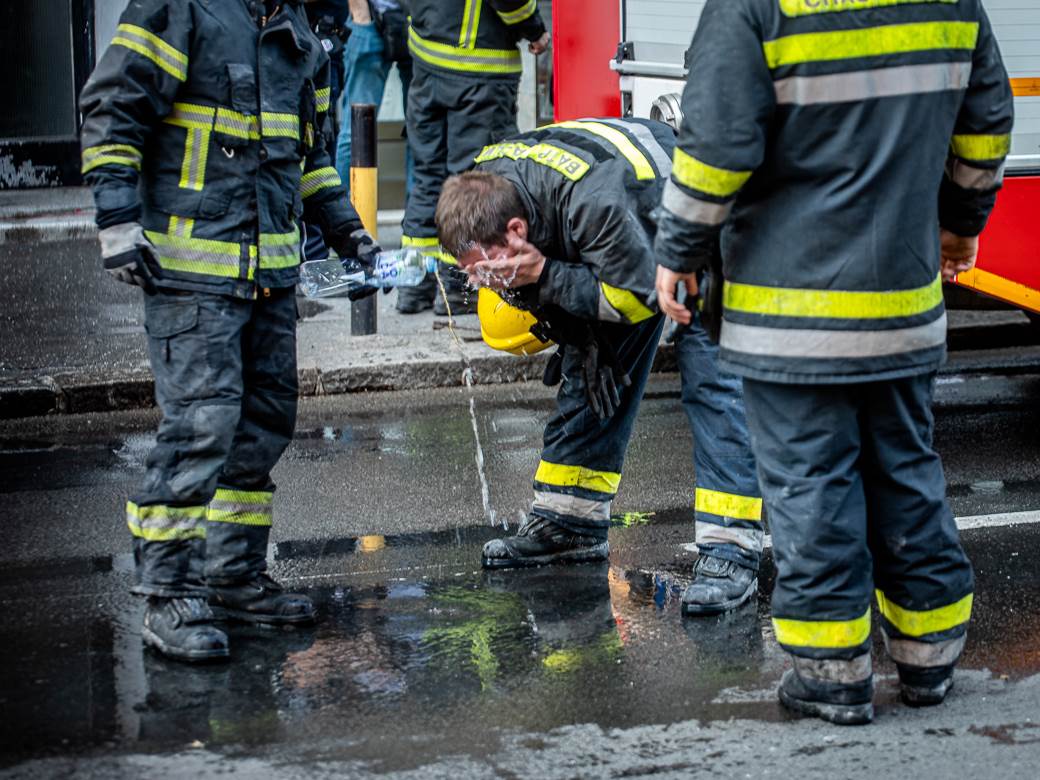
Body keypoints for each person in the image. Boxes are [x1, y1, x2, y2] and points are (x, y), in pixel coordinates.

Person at [654, 0, 1013, 724]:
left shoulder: (750, 7)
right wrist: (958, 227)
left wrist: (678, 252)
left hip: (790, 321)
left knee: (812, 489)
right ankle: (930, 660)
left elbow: (716, 148)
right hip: (903, 304)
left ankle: (832, 676)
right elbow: (985, 129)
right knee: (906, 472)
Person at [80, 0, 380, 662]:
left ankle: (235, 575)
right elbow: (113, 108)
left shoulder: (302, 33)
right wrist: (117, 220)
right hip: (191, 274)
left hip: (271, 276)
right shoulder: (180, 8)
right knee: (199, 431)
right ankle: (168, 592)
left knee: (261, 427)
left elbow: (312, 156)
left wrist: (346, 231)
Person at [435, 118, 762, 606]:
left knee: (711, 382)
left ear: (517, 231)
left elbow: (639, 299)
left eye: (491, 271)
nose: (486, 283)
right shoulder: (481, 194)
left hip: (708, 233)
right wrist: (575, 332)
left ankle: (731, 552)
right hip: (629, 239)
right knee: (591, 365)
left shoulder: (597, 206)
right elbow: (547, 288)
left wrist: (547, 277)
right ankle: (570, 523)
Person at [397, 0, 550, 316]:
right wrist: (535, 30)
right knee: (472, 183)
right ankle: (457, 287)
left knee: (427, 176)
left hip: (426, 60)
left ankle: (414, 284)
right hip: (479, 71)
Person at [333, 0, 413, 193]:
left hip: (418, 23)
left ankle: (417, 220)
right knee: (355, 131)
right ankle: (343, 215)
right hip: (371, 21)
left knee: (420, 130)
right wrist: (360, 14)